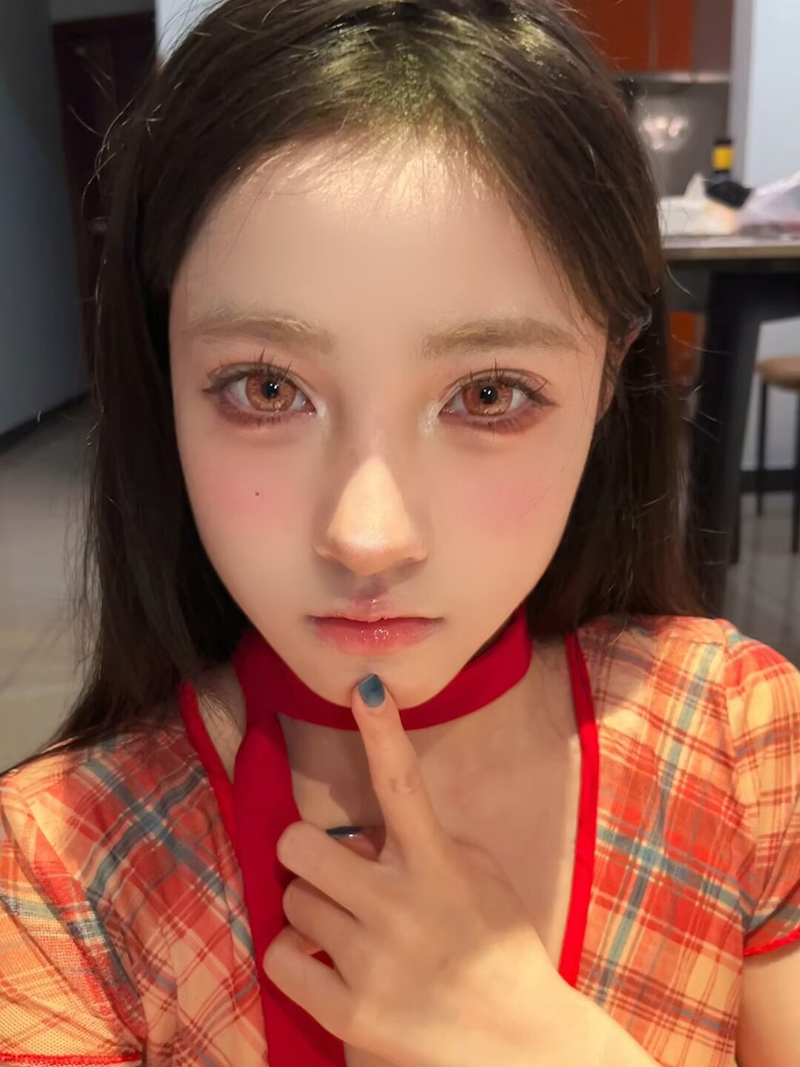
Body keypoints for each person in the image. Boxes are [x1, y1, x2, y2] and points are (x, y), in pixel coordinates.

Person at [1, 1, 798, 1065]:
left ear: (609, 376)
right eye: (266, 387)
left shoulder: (742, 740)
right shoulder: (59, 867)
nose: (368, 537)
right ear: (165, 376)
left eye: (488, 393)